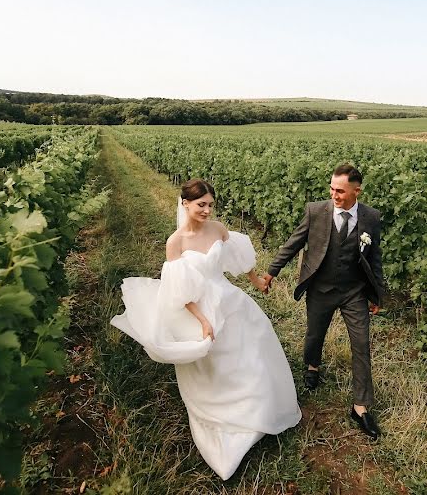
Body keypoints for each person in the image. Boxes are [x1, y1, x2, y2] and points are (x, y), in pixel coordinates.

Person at [110, 179, 302, 480]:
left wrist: (256, 282)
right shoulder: (176, 242)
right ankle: (223, 416)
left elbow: (238, 258)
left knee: (250, 349)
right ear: (185, 203)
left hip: (227, 297)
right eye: (201, 205)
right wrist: (202, 320)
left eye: (211, 204)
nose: (207, 210)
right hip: (198, 306)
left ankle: (259, 410)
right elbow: (180, 292)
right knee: (212, 358)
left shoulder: (217, 229)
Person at [262, 164, 386, 440]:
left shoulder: (371, 218)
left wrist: (377, 294)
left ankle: (361, 406)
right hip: (320, 287)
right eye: (331, 188)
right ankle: (312, 366)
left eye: (340, 190)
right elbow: (294, 243)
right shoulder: (316, 211)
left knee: (362, 343)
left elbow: (374, 258)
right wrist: (272, 272)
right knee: (315, 333)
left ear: (357, 190)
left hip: (354, 291)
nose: (334, 194)